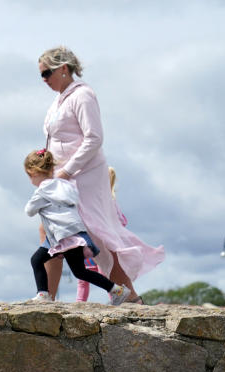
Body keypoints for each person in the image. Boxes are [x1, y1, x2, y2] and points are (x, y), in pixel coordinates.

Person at [38, 46, 164, 302]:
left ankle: (129, 297)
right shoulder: (58, 100)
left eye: (47, 73)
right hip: (61, 179)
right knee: (50, 229)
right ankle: (47, 297)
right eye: (41, 75)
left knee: (98, 236)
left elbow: (94, 138)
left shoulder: (83, 95)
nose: (44, 80)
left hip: (83, 177)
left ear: (64, 69)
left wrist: (66, 171)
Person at [24, 149, 129, 305]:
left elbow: (29, 211)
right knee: (77, 271)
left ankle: (116, 290)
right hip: (73, 233)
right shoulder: (65, 186)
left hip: (63, 236)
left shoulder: (42, 192)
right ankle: (43, 293)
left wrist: (42, 203)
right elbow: (75, 198)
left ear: (34, 172)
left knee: (43, 262)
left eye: (29, 175)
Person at [76, 167, 125, 302]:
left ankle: (115, 298)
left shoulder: (109, 202)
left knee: (103, 274)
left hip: (101, 244)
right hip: (89, 244)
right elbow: (122, 221)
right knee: (84, 276)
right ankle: (80, 302)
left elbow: (120, 221)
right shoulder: (95, 201)